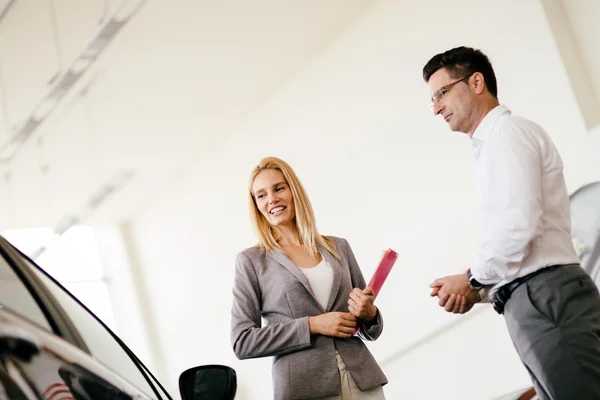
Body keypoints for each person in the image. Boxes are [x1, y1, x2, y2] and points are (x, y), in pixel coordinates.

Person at [424, 46, 600, 400]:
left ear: (476, 82)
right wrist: (478, 289)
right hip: (532, 298)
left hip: (545, 298)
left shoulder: (507, 134)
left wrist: (473, 278)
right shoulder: (493, 146)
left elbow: (519, 227)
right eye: (432, 100)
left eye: (441, 93)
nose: (437, 107)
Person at [230, 156, 387, 400]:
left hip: (362, 380)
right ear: (256, 205)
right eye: (261, 195)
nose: (272, 199)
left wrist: (369, 314)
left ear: (294, 191)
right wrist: (313, 325)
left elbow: (369, 329)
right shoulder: (251, 261)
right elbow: (243, 341)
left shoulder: (338, 247)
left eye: (279, 188)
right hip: (305, 389)